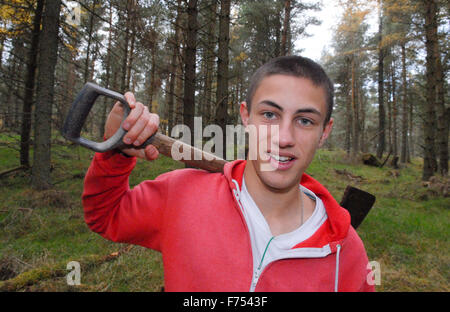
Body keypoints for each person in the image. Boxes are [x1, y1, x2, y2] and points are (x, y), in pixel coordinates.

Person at [82, 55, 375, 292]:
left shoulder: (346, 253)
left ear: (325, 131)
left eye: (305, 120)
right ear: (246, 116)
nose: (284, 137)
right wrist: (115, 154)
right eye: (270, 115)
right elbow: (105, 216)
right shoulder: (182, 195)